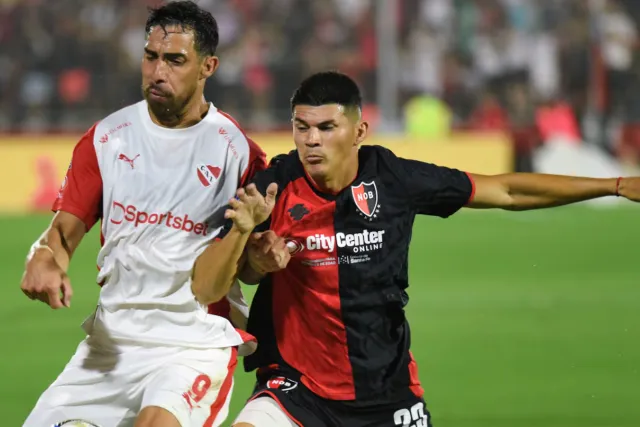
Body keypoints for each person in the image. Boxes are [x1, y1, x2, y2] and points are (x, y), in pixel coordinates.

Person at [195, 71, 640, 427]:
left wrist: (615, 185)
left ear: (358, 130)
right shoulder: (272, 188)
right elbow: (218, 282)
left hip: (387, 396)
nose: (312, 140)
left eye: (327, 127)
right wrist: (251, 254)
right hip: (296, 391)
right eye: (302, 127)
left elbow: (505, 190)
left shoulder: (393, 179)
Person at [20, 2, 266, 426]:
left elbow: (251, 267)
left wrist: (264, 254)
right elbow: (61, 234)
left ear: (208, 67)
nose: (157, 71)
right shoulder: (106, 138)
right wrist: (43, 258)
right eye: (151, 57)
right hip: (111, 344)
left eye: (175, 60)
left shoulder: (239, 153)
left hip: (192, 343)